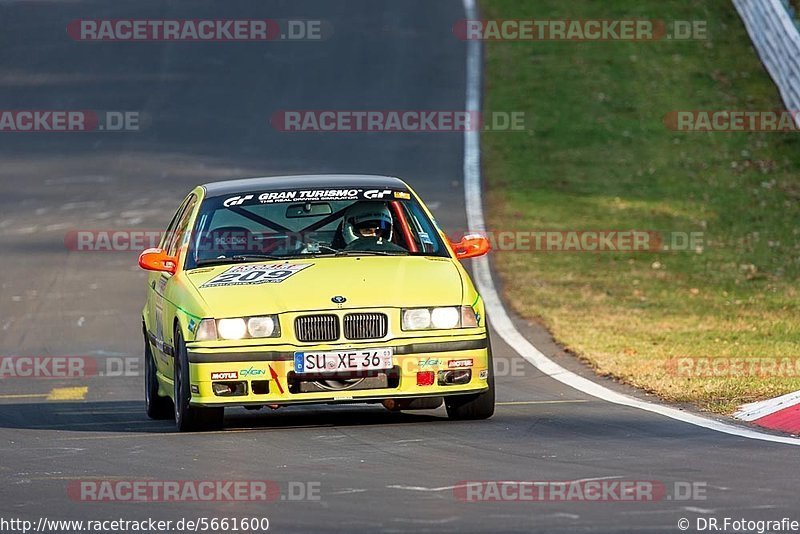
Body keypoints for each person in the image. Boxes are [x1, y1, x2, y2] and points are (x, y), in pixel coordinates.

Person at [339, 201, 406, 252]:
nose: (373, 235)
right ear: (349, 230)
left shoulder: (402, 258)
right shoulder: (334, 263)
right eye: (367, 231)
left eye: (378, 231)